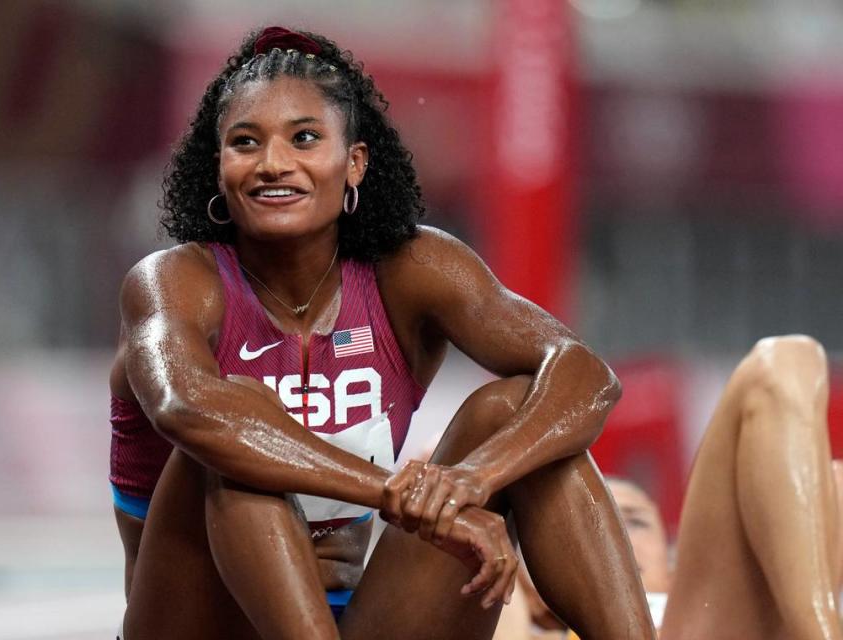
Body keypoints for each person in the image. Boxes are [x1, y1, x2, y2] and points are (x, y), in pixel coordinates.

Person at [108, 26, 655, 640]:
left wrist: (473, 481)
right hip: (199, 623)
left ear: (355, 164)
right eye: (245, 143)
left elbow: (584, 374)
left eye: (305, 138)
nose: (273, 164)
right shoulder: (173, 282)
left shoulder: (413, 271)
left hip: (357, 619)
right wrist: (402, 493)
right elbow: (190, 407)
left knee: (511, 412)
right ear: (219, 166)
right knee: (239, 435)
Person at [513, 335, 842, 639]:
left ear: (671, 568)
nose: (618, 539)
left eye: (636, 522)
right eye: (583, 527)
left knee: (785, 360)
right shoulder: (517, 621)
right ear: (534, 585)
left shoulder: (704, 608)